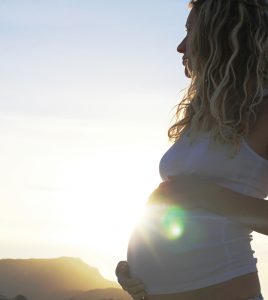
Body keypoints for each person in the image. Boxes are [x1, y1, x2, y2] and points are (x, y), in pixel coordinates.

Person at [115, 0, 268, 299]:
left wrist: (203, 194)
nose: (181, 47)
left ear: (221, 35)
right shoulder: (204, 115)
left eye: (190, 31)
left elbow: (191, 194)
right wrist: (134, 267)